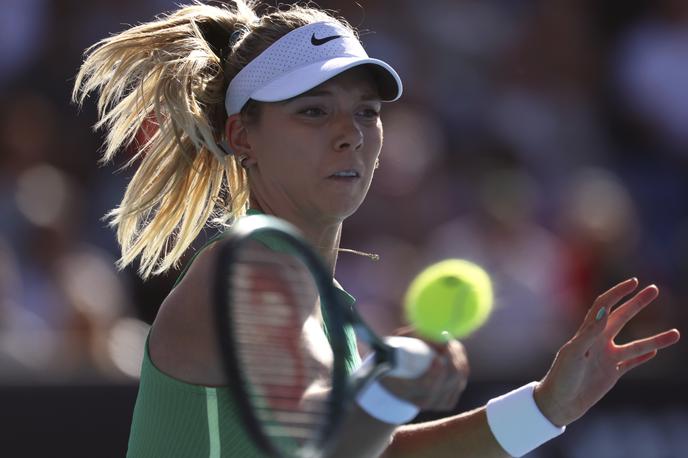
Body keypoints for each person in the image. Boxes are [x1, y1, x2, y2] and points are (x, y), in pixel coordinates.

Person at [73, 1, 681, 457]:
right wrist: (390, 387)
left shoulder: (319, 298)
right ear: (242, 137)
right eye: (313, 111)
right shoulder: (238, 271)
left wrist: (547, 406)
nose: (351, 132)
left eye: (365, 111)